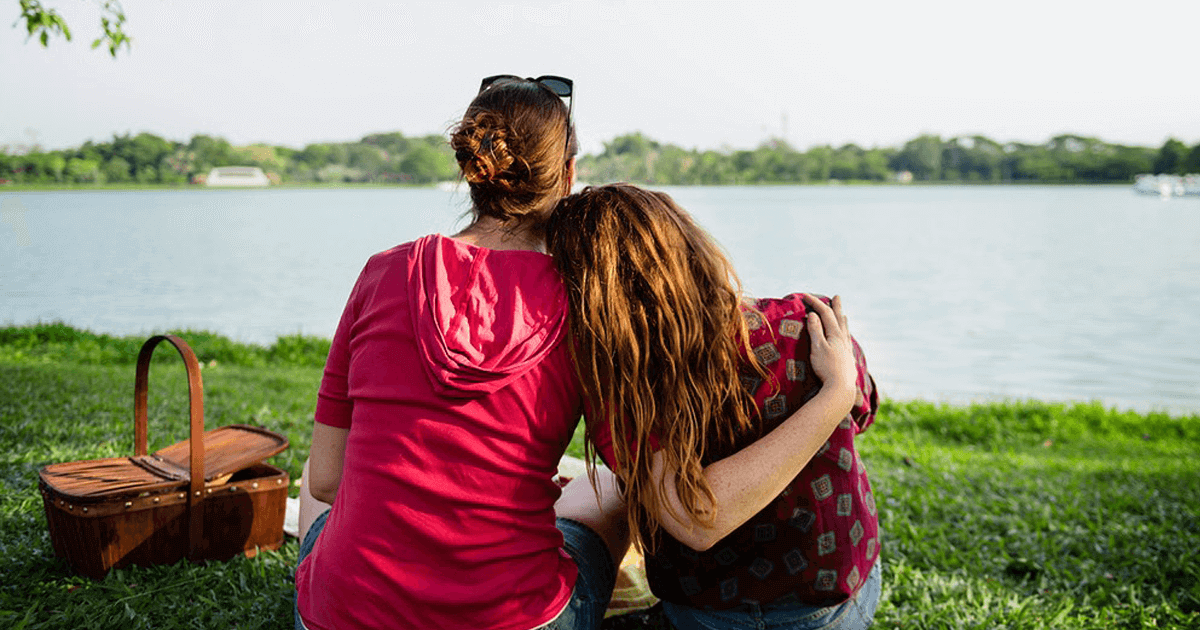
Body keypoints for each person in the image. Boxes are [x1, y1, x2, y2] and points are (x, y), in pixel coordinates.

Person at [293, 76, 631, 630]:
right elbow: (634, 467)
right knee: (608, 494)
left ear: (470, 170)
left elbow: (328, 481)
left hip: (347, 616)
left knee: (314, 468)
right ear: (568, 177)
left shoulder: (383, 272)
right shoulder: (583, 300)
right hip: (515, 618)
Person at [544, 183, 882, 630]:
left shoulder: (624, 389)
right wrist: (836, 392)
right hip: (832, 610)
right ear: (688, 244)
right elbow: (865, 408)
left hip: (705, 614)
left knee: (602, 490)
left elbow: (694, 520)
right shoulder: (807, 323)